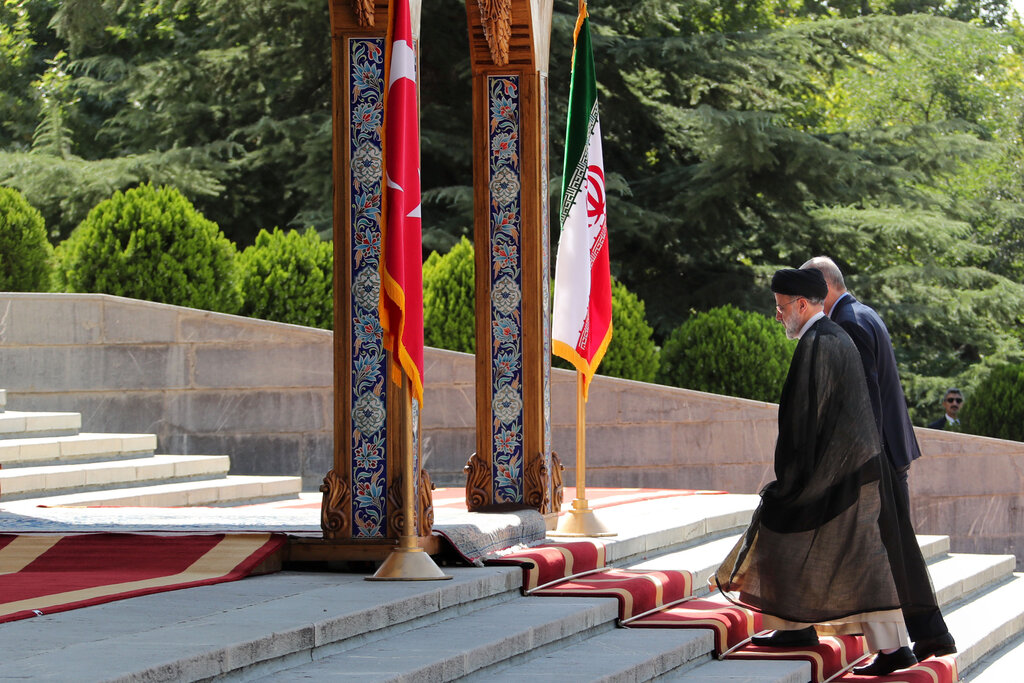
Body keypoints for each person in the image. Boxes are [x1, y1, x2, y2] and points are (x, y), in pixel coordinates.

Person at [716, 268, 918, 676]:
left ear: (803, 305)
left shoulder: (820, 343)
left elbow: (808, 419)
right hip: (842, 470)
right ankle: (795, 626)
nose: (777, 316)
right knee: (822, 546)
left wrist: (794, 478)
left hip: (838, 473)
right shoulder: (827, 338)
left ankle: (894, 651)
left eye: (781, 307)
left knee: (860, 560)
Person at [799, 256, 956, 664]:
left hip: (875, 458)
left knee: (890, 550)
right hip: (888, 451)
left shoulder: (848, 322)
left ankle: (918, 640)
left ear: (823, 287)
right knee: (893, 548)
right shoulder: (863, 313)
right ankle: (925, 638)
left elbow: (863, 398)